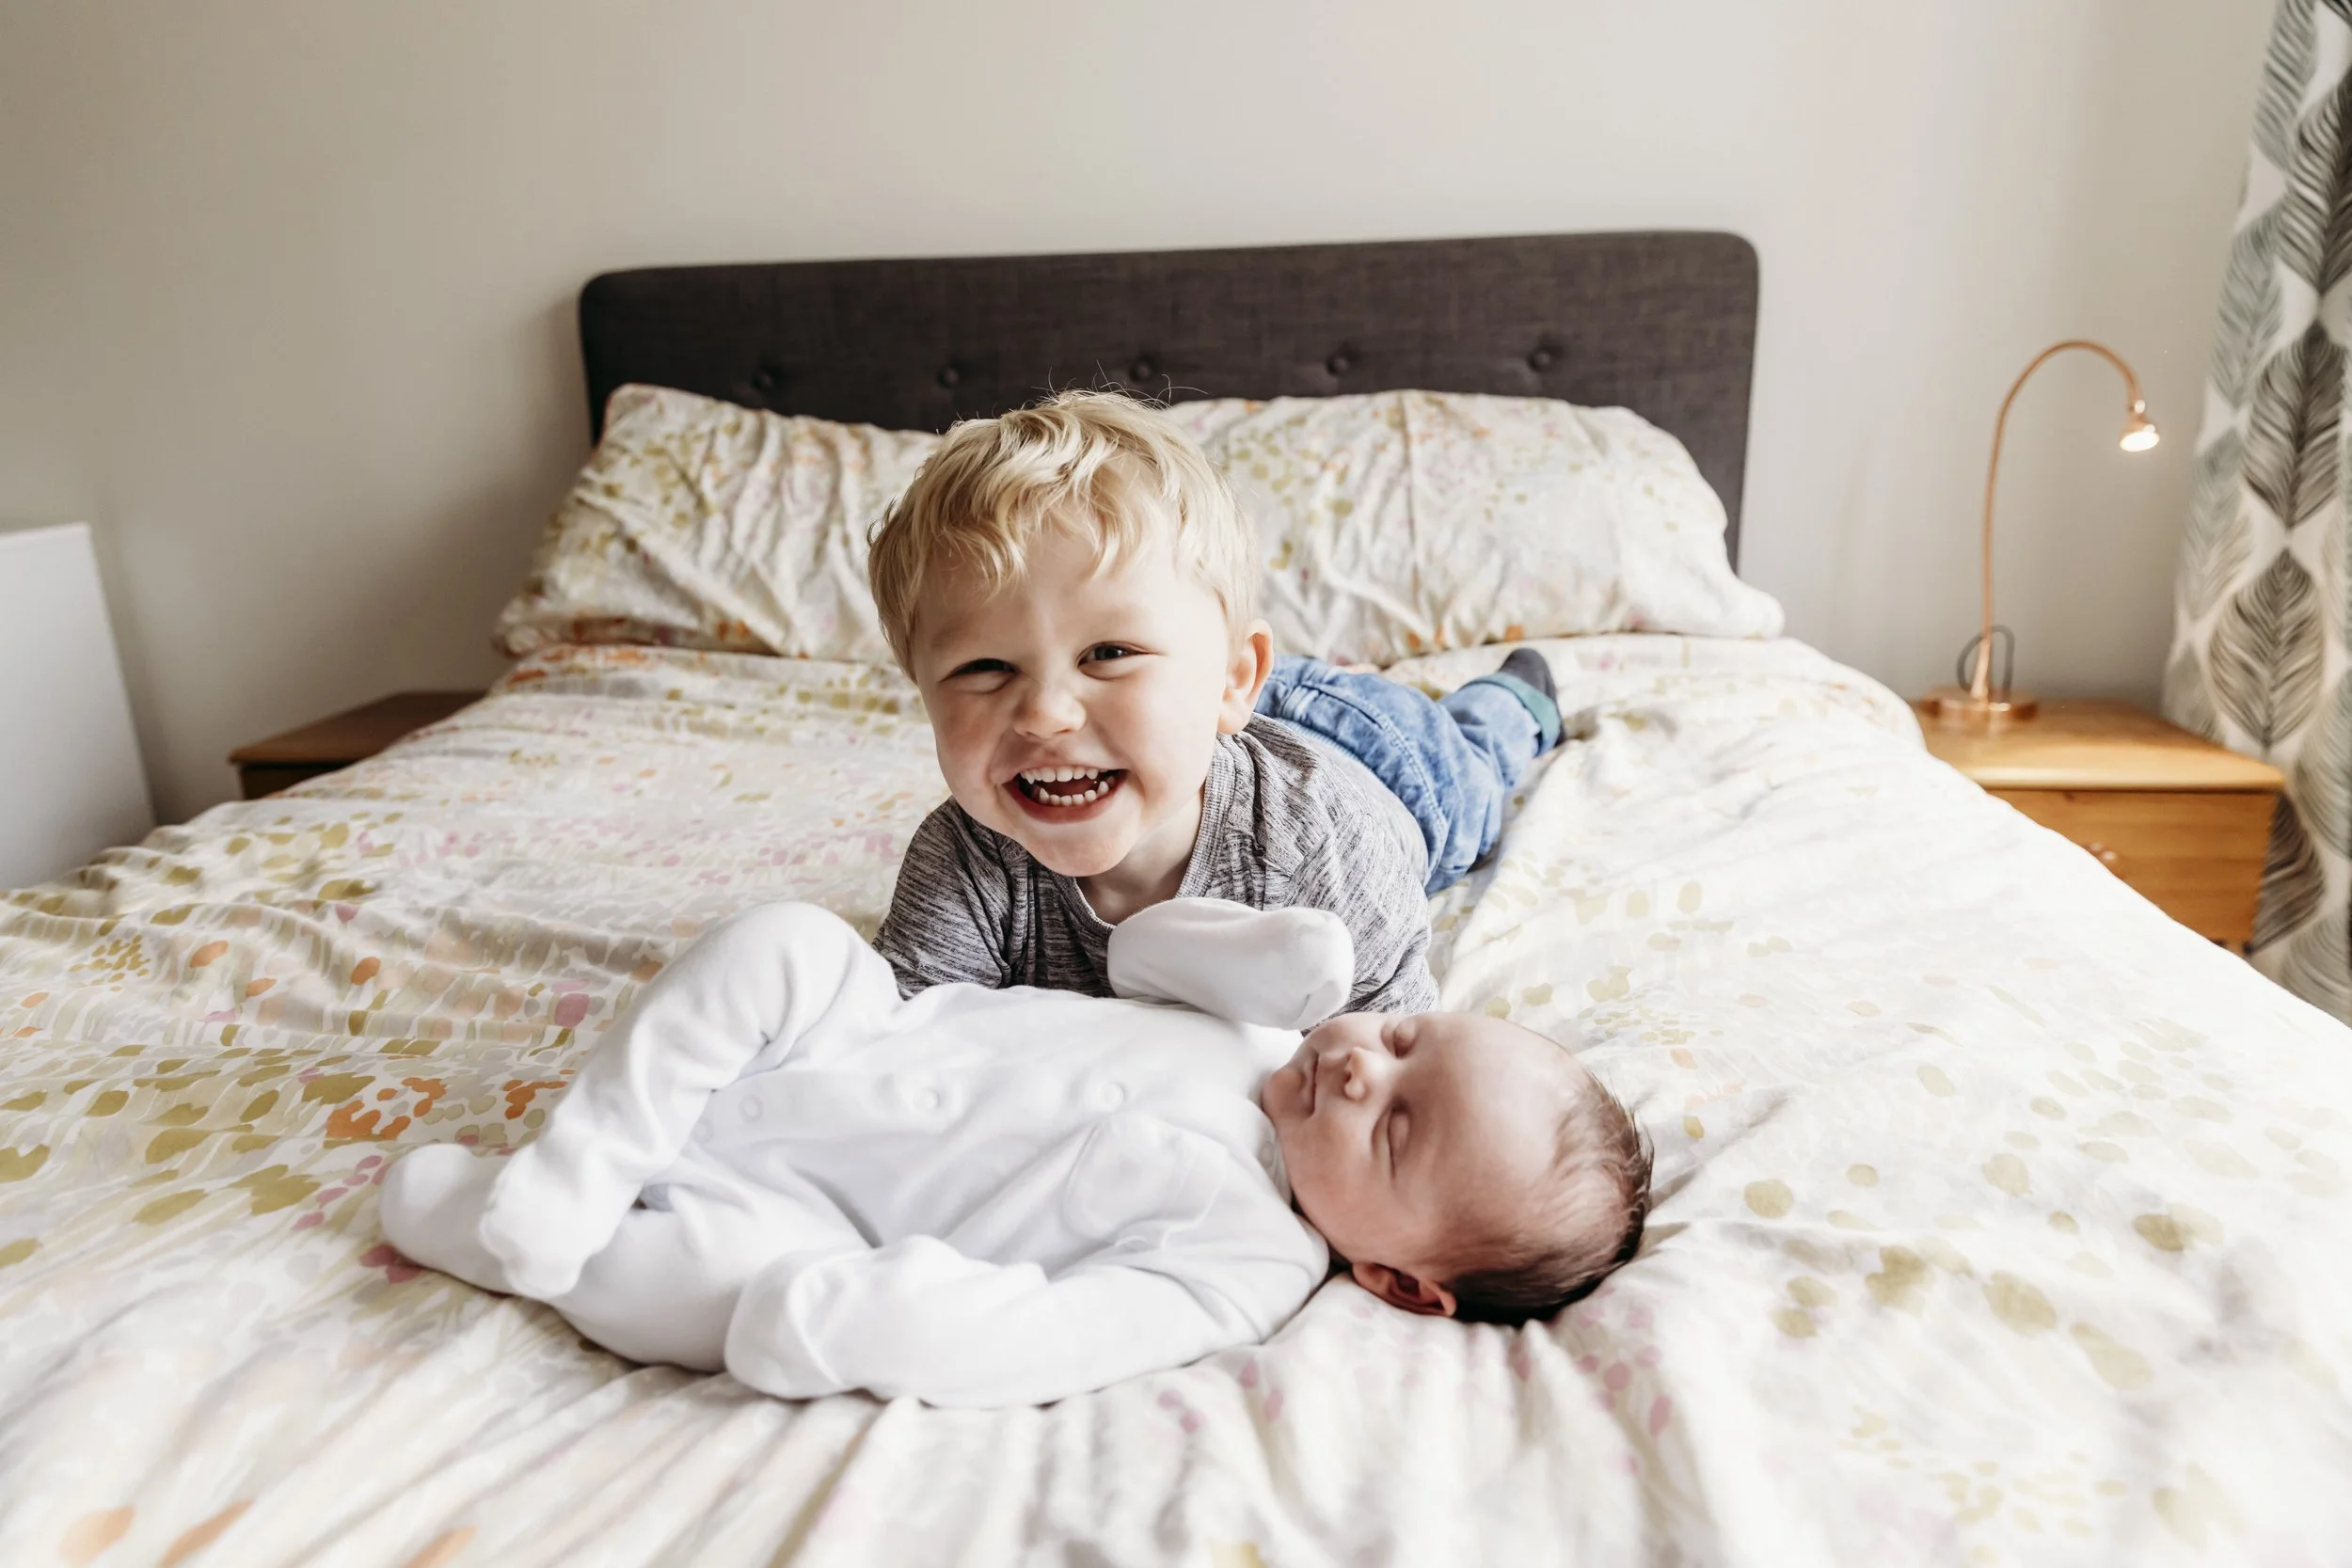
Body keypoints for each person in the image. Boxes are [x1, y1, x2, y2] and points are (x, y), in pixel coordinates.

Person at [378, 898, 1651, 1408]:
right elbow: (1137, 947)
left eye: (1398, 1123)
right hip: (838, 1039)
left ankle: (498, 1230)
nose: (1366, 1061)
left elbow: (1045, 1330)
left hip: (801, 1209)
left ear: (1396, 1278)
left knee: (708, 1287)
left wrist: (857, 1318)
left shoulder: (1245, 1263)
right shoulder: (1261, 1023)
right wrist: (1265, 950)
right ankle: (582, 1159)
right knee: (782, 940)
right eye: (1410, 1035)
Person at [867, 390, 1564, 1013]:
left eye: (1107, 652)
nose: (1046, 713)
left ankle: (1513, 697)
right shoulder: (965, 861)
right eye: (985, 667)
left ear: (1234, 679)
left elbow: (1389, 1065)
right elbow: (905, 1058)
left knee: (1477, 773)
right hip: (1199, 718)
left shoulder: (1325, 849)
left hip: (1377, 752)